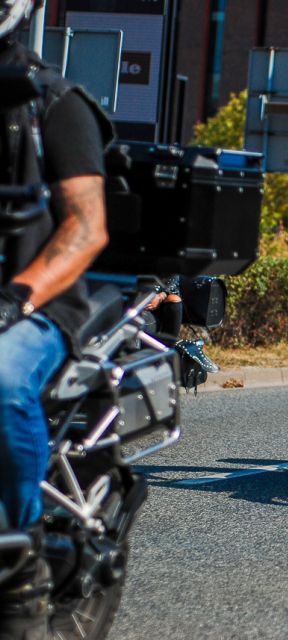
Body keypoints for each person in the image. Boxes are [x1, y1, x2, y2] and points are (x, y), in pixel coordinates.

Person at [0, 2, 113, 635]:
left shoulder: (55, 104)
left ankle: (18, 554)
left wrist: (16, 297)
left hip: (38, 302)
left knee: (0, 377)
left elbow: (86, 227)